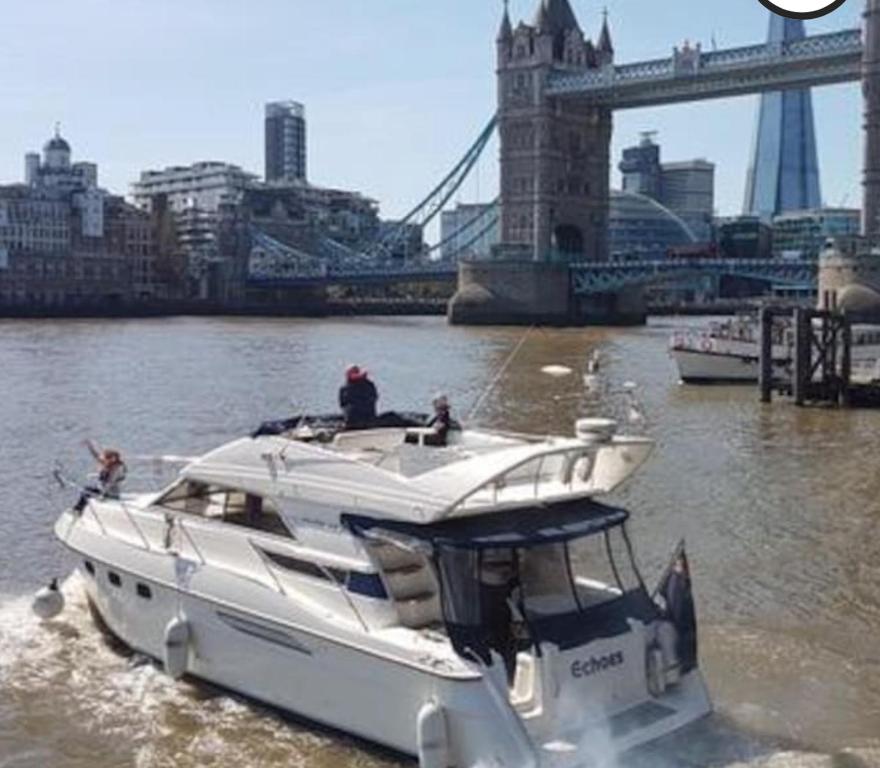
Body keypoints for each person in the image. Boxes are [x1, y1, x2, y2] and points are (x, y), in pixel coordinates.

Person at [660, 551, 698, 673]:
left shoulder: (676, 578)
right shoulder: (676, 578)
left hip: (679, 620)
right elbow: (663, 591)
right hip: (679, 619)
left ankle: (685, 663)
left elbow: (663, 591)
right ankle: (685, 662)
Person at [74, 440, 127, 512]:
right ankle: (78, 508)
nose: (102, 459)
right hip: (102, 489)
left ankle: (78, 509)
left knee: (87, 491)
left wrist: (103, 495)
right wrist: (90, 446)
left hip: (110, 493)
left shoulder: (116, 469)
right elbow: (96, 456)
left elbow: (110, 483)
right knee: (86, 489)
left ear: (111, 459)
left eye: (105, 458)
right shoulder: (107, 464)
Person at [338, 365, 378, 429]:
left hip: (369, 420)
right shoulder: (345, 388)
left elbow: (372, 399)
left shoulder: (368, 385)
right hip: (352, 422)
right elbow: (344, 405)